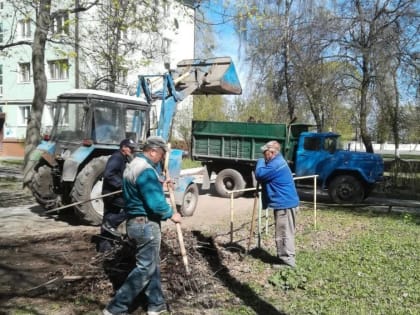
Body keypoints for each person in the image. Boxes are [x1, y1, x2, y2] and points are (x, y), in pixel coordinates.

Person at [103, 136, 181, 315]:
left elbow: (139, 187)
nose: (160, 159)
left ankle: (156, 304)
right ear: (152, 151)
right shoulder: (146, 170)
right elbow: (155, 203)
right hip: (146, 224)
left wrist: (160, 182)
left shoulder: (133, 165)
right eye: (160, 155)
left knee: (151, 265)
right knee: (145, 268)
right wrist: (171, 214)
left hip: (135, 223)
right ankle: (116, 308)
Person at [255, 140, 299, 268]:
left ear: (272, 153)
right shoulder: (277, 162)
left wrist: (260, 162)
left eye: (265, 153)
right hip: (285, 203)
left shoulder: (275, 164)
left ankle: (288, 263)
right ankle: (286, 259)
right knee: (284, 232)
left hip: (285, 205)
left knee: (284, 233)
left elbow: (259, 174)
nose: (263, 155)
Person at [98, 138, 137, 253]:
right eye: (131, 148)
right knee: (132, 207)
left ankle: (104, 248)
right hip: (112, 194)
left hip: (111, 193)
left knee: (109, 217)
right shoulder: (117, 157)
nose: (132, 150)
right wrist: (122, 185)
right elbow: (109, 174)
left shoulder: (123, 159)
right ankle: (110, 223)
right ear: (124, 147)